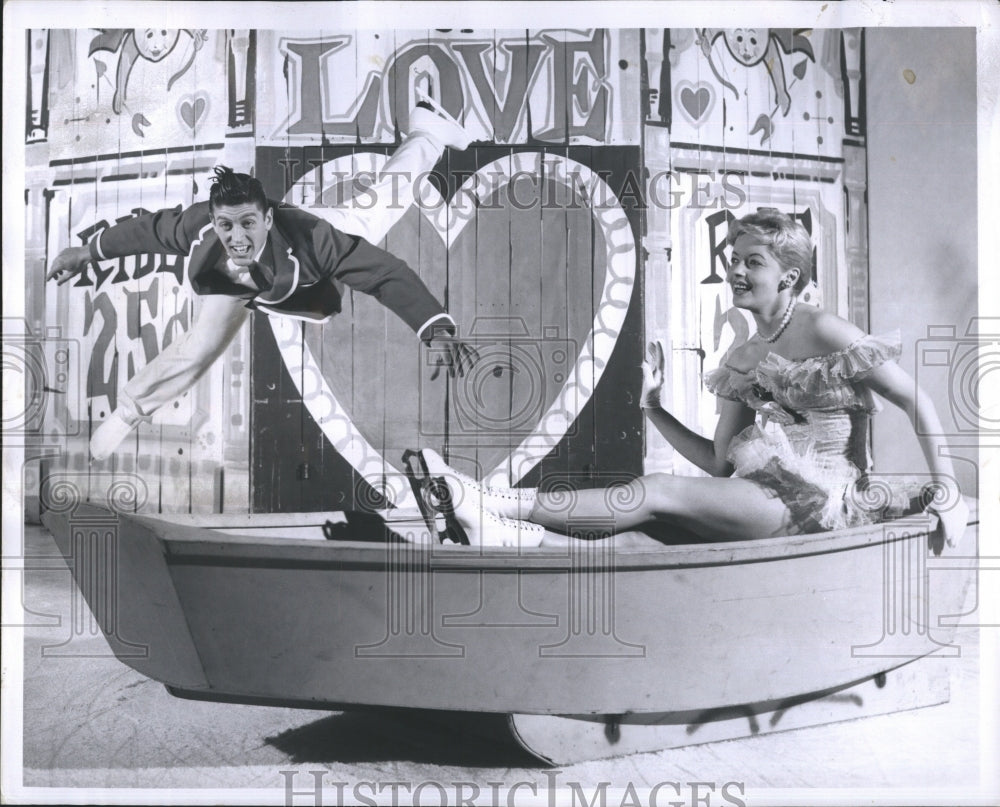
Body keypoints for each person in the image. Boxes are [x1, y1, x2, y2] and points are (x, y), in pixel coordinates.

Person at [409, 209, 970, 550]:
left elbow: (915, 399)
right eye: (734, 258)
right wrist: (653, 408)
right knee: (644, 535)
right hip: (764, 494)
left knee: (659, 492)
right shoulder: (745, 354)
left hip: (828, 501)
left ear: (789, 276)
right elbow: (721, 463)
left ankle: (491, 503)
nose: (736, 270)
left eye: (753, 261)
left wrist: (946, 489)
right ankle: (502, 534)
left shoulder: (824, 327)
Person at [47, 101, 478, 460]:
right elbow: (150, 230)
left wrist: (434, 329)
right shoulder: (201, 230)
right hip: (231, 289)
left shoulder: (317, 240)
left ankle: (428, 132)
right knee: (198, 345)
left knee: (380, 207)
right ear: (214, 223)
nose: (237, 239)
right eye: (226, 227)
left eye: (248, 225)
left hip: (298, 263)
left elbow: (384, 273)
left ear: (268, 218)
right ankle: (128, 411)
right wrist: (87, 252)